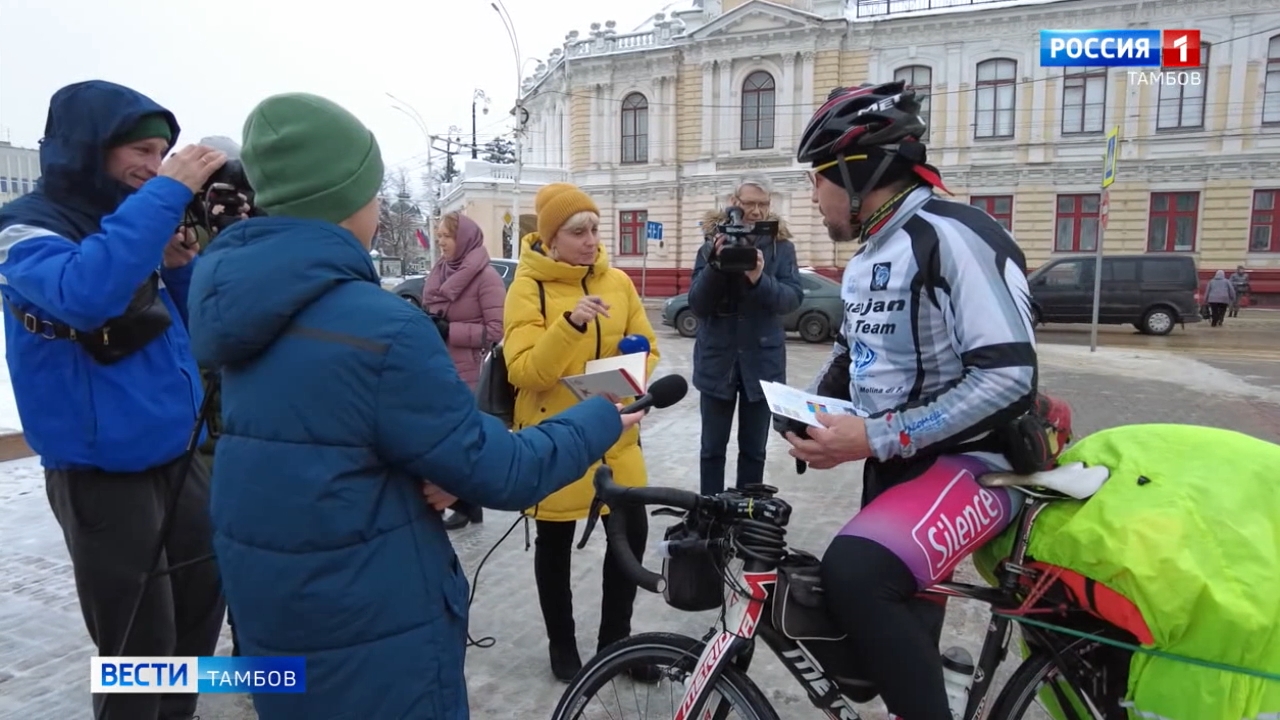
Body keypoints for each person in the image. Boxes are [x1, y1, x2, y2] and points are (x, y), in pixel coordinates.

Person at [186, 93, 644, 720]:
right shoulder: (379, 326)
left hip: (279, 617)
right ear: (351, 199)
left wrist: (416, 459)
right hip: (374, 631)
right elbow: (503, 472)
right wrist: (598, 415)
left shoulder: (239, 306)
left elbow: (323, 443)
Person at [781, 81, 1039, 720]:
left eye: (819, 177)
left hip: (977, 464)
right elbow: (852, 357)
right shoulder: (873, 251)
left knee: (856, 574)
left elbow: (1010, 377)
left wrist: (872, 436)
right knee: (899, 639)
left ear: (859, 172)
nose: (813, 194)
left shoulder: (952, 235)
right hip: (900, 469)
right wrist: (812, 416)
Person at [0, 80, 228, 720]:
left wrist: (179, 267)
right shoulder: (23, 229)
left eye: (164, 155)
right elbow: (85, 293)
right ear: (88, 148)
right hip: (103, 475)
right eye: (144, 151)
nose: (156, 168)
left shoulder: (128, 227)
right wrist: (164, 197)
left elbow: (187, 336)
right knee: (139, 647)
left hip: (178, 459)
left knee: (195, 620)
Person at [503, 182, 661, 682]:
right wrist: (570, 323)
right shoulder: (528, 288)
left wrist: (627, 374)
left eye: (594, 228)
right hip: (554, 438)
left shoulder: (616, 281)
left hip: (616, 434)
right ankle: (562, 643)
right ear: (551, 239)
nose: (591, 239)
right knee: (554, 546)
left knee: (631, 538)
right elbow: (525, 372)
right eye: (578, 231)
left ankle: (617, 642)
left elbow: (650, 347)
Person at [689, 175, 803, 495]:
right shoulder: (710, 245)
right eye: (749, 203)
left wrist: (758, 277)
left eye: (762, 204)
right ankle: (710, 513)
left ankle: (747, 516)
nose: (755, 211)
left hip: (762, 365)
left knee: (754, 450)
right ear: (734, 203)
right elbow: (698, 304)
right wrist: (716, 262)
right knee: (712, 449)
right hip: (717, 362)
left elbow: (791, 300)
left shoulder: (782, 248)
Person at [422, 211, 507, 530]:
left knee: (459, 440)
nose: (440, 240)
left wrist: (450, 330)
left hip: (469, 371)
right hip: (434, 366)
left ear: (464, 238)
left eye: (446, 235)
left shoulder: (485, 278)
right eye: (439, 235)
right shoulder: (440, 271)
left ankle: (466, 502)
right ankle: (450, 501)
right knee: (435, 436)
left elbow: (497, 330)